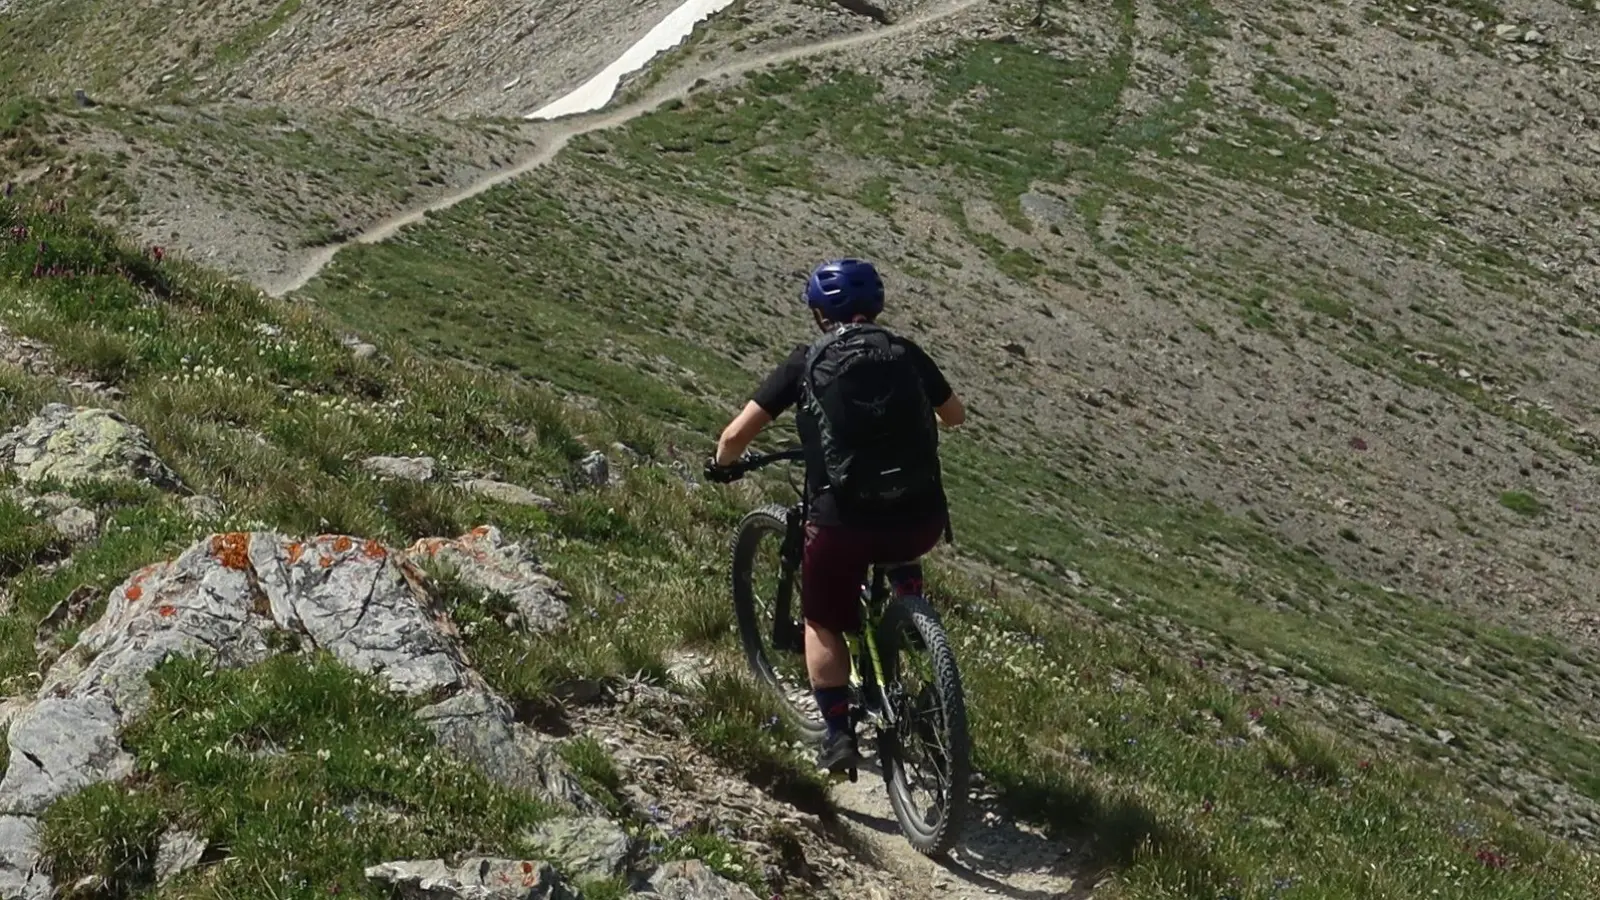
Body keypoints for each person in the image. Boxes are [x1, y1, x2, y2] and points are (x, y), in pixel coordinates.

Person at [705, 258, 966, 772]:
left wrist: (721, 465)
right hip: (921, 514)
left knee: (822, 618)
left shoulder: (805, 362)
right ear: (877, 304)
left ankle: (838, 733)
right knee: (897, 546)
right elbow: (954, 416)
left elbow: (736, 437)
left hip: (843, 520)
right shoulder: (905, 353)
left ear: (820, 312)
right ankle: (910, 619)